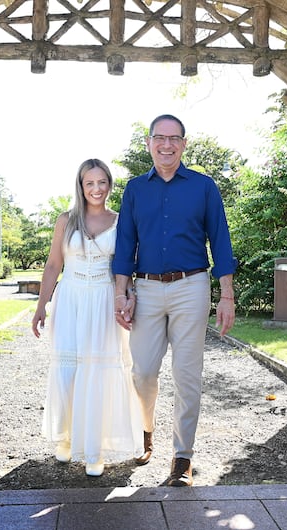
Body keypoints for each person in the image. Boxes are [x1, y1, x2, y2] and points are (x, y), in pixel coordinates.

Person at [112, 114, 237, 487]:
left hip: (191, 287)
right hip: (146, 289)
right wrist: (122, 291)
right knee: (143, 372)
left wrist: (226, 294)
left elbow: (221, 240)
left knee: (187, 377)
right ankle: (146, 430)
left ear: (184, 144)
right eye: (159, 138)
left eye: (174, 139)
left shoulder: (203, 187)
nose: (167, 145)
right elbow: (124, 245)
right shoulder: (135, 189)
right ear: (149, 143)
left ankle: (182, 459)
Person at [32, 158, 143, 477]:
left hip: (105, 301)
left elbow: (126, 266)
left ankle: (94, 449)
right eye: (89, 183)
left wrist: (129, 296)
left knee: (99, 372)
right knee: (69, 372)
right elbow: (54, 265)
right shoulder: (65, 220)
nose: (97, 189)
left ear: (110, 184)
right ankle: (66, 438)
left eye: (102, 182)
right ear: (81, 186)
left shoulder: (122, 221)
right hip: (71, 300)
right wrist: (42, 306)